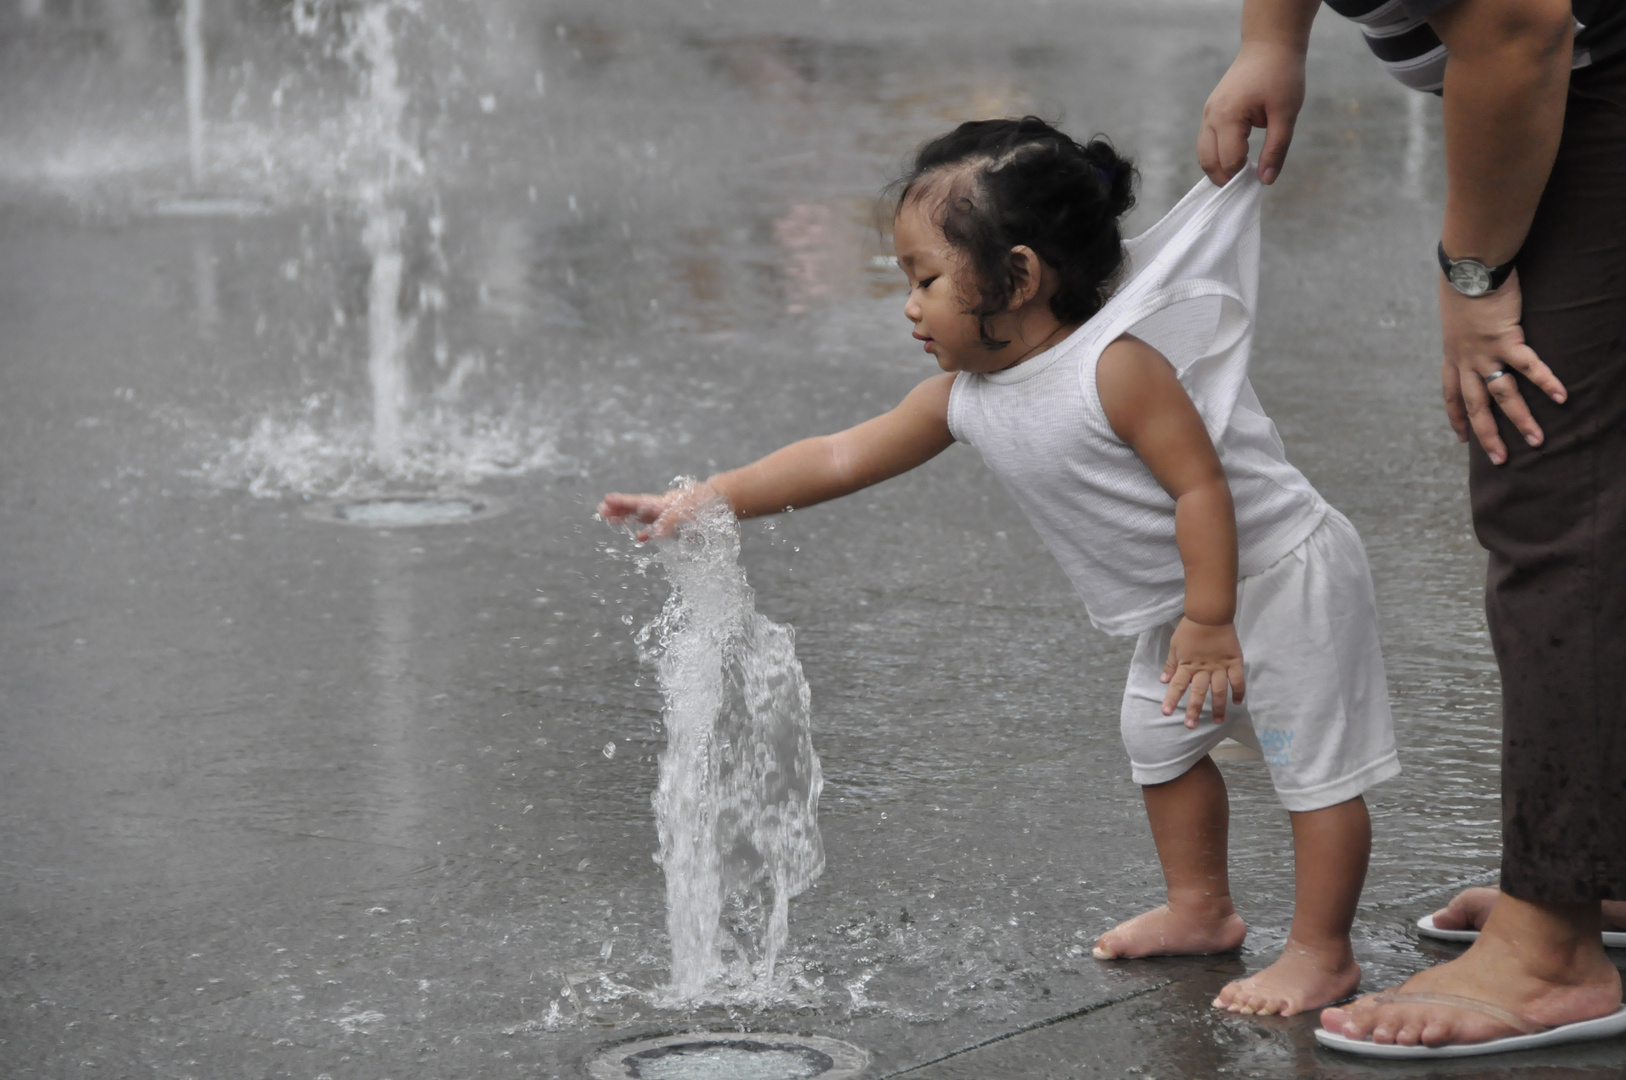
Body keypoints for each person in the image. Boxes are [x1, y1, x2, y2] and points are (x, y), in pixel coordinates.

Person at [600, 117, 1400, 1018]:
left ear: (1018, 277)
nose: (909, 305)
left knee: (1311, 770)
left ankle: (1320, 953)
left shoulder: (1117, 368)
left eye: (926, 279)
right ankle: (1200, 908)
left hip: (1275, 580)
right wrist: (712, 497)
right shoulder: (964, 397)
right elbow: (839, 455)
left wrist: (1210, 621)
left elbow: (1201, 492)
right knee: (1159, 742)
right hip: (1185, 606)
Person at [1198, 0, 1626, 1057]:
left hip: (1585, 71)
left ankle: (1552, 949)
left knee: (1551, 477)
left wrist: (1473, 273)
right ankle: (1597, 862)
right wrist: (1273, 39)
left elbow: (1519, 20)